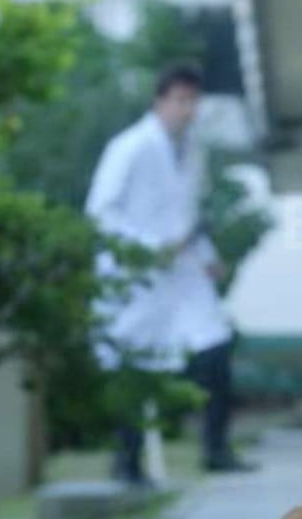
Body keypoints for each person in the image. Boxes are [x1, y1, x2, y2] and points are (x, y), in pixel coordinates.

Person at [86, 65, 252, 482]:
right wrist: (148, 248)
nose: (187, 109)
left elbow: (188, 215)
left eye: (193, 100)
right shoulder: (130, 146)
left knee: (215, 345)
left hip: (182, 269)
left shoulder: (193, 150)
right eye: (179, 100)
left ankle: (215, 449)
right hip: (134, 274)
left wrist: (207, 255)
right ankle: (128, 462)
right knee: (133, 361)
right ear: (159, 102)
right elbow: (100, 211)